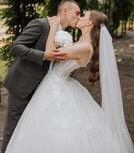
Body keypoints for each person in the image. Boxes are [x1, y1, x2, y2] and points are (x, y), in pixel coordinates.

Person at [4, 10, 134, 153]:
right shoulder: (80, 42)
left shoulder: (86, 47)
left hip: (56, 86)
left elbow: (51, 53)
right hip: (52, 83)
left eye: (83, 16)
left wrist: (53, 27)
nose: (80, 17)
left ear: (89, 22)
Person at [1, 0, 81, 153]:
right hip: (23, 85)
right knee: (13, 129)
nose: (79, 16)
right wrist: (44, 55)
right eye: (76, 12)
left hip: (45, 90)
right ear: (64, 11)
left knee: (31, 132)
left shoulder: (65, 35)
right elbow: (16, 47)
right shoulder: (41, 24)